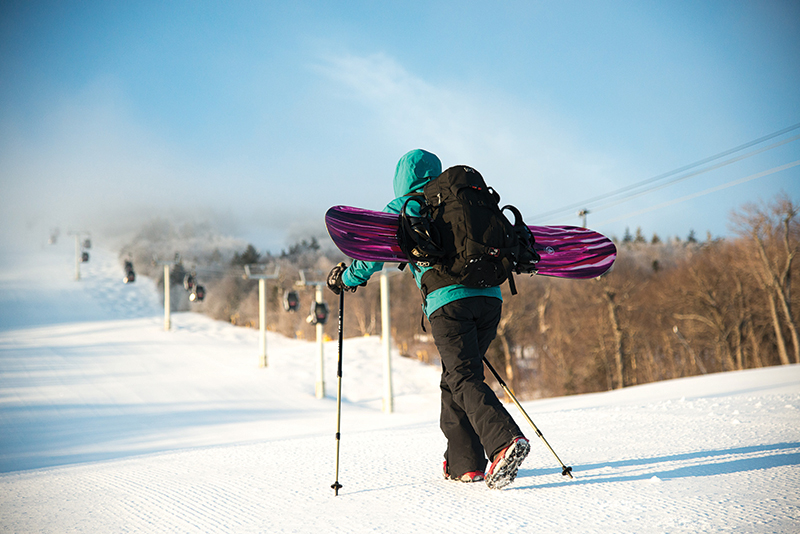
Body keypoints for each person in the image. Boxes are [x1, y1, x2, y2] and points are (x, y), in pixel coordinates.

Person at [326, 148, 529, 490]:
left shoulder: (406, 205)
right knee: (455, 378)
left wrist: (345, 279)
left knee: (462, 377)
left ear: (400, 179)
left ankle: (504, 442)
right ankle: (466, 464)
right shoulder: (464, 200)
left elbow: (371, 254)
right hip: (490, 298)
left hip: (449, 304)